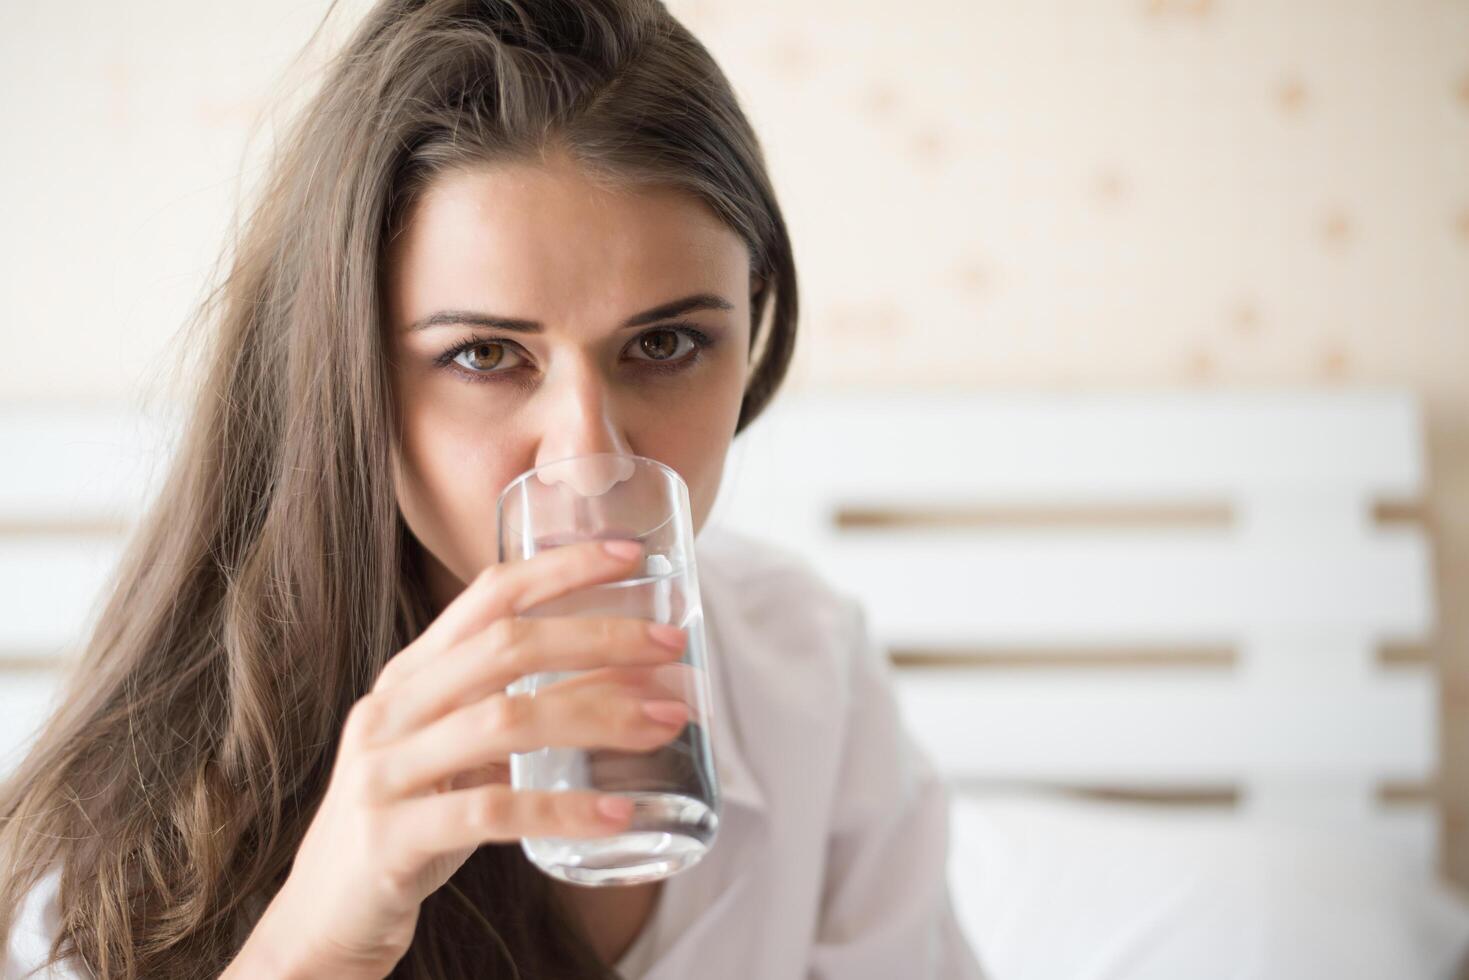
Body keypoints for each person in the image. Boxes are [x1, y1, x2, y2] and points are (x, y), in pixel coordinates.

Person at [0, 1, 987, 977]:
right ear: (345, 370)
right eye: (483, 353)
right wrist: (314, 942)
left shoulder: (808, 672)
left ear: (750, 324)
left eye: (666, 343)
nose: (589, 459)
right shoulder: (144, 807)